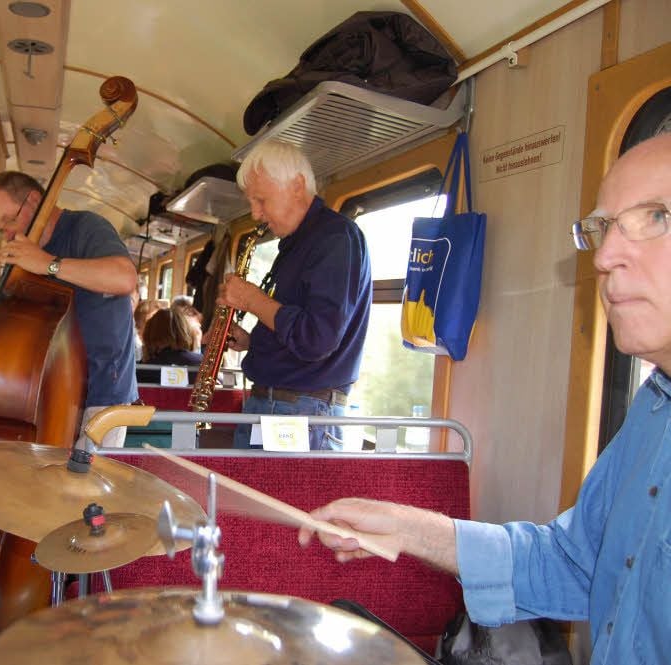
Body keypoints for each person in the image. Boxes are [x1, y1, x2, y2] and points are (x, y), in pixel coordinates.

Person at [298, 134, 671, 664]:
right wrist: (409, 528)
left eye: (655, 217)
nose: (606, 255)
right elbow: (572, 563)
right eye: (603, 227)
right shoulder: (652, 408)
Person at [0, 171, 138, 447]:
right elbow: (14, 317)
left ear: (34, 201)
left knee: (86, 487)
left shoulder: (86, 227)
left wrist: (47, 264)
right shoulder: (22, 257)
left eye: (10, 220)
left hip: (102, 393)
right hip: (46, 394)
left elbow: (124, 278)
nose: (8, 233)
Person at [217, 139, 372, 451]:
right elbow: (295, 325)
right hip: (281, 408)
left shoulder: (335, 239)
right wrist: (252, 341)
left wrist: (251, 299)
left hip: (300, 413)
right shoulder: (295, 243)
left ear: (298, 185)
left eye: (261, 200)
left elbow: (318, 338)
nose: (256, 214)